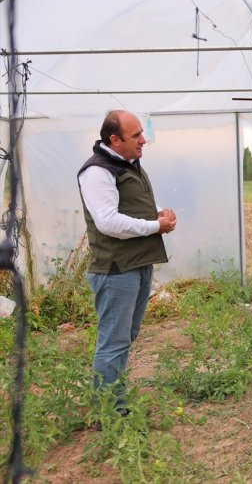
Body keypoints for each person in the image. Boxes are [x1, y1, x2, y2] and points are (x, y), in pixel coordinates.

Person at [78, 110, 177, 417]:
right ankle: (109, 411)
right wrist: (154, 227)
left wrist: (160, 213)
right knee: (113, 341)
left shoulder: (127, 164)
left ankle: (113, 400)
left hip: (137, 264)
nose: (143, 140)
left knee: (126, 335)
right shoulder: (97, 171)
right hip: (115, 269)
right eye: (136, 136)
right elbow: (107, 221)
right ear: (114, 139)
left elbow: (135, 204)